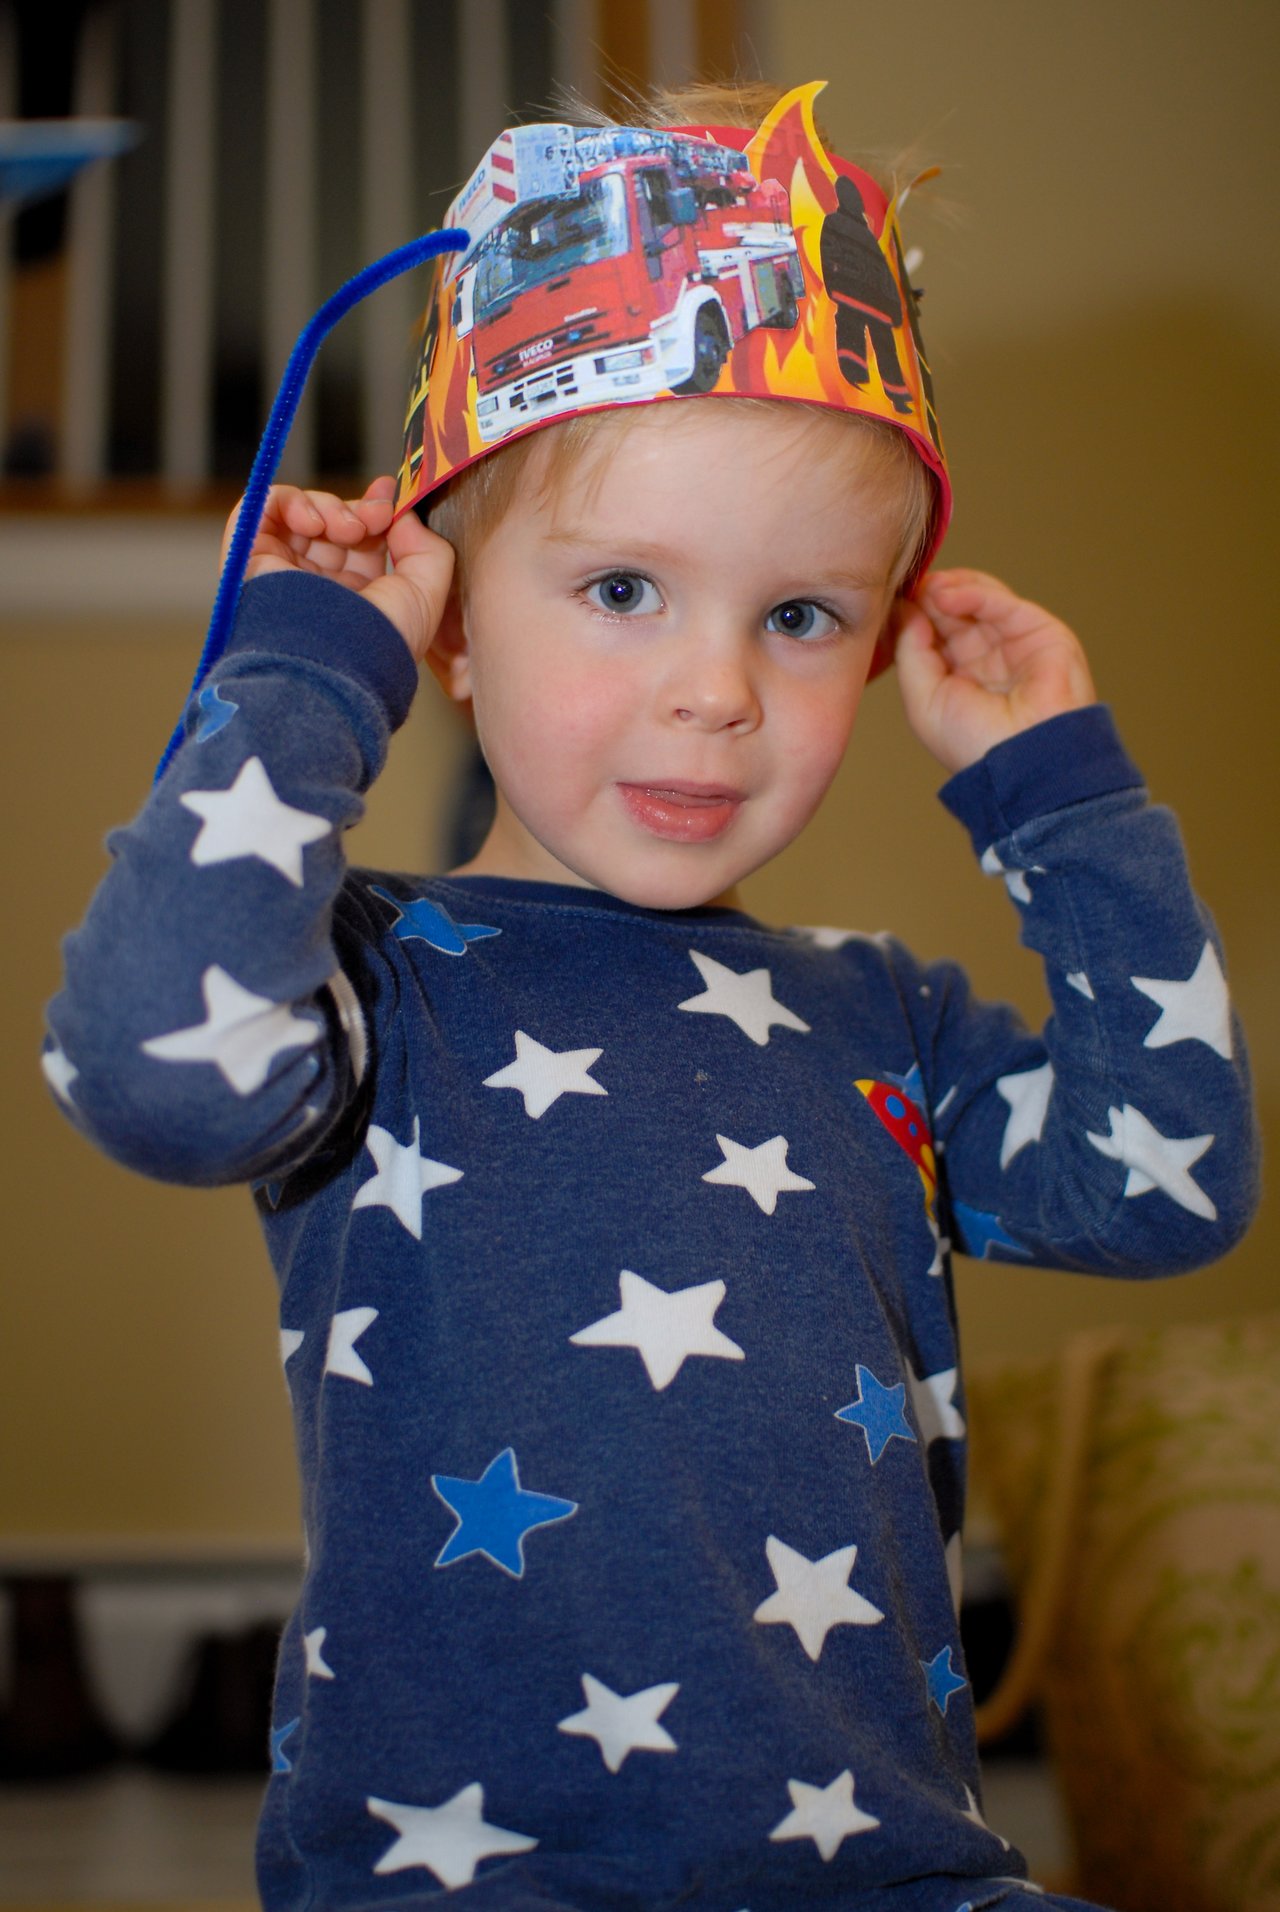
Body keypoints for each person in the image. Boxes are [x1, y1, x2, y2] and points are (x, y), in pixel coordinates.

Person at [43, 80, 1257, 1912]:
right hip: (463, 1881)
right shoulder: (359, 982)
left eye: (801, 617)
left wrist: (1065, 801)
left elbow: (1170, 1186)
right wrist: (308, 672)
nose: (719, 692)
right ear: (452, 619)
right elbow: (146, 1065)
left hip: (897, 1873)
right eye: (623, 586)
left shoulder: (880, 1018)